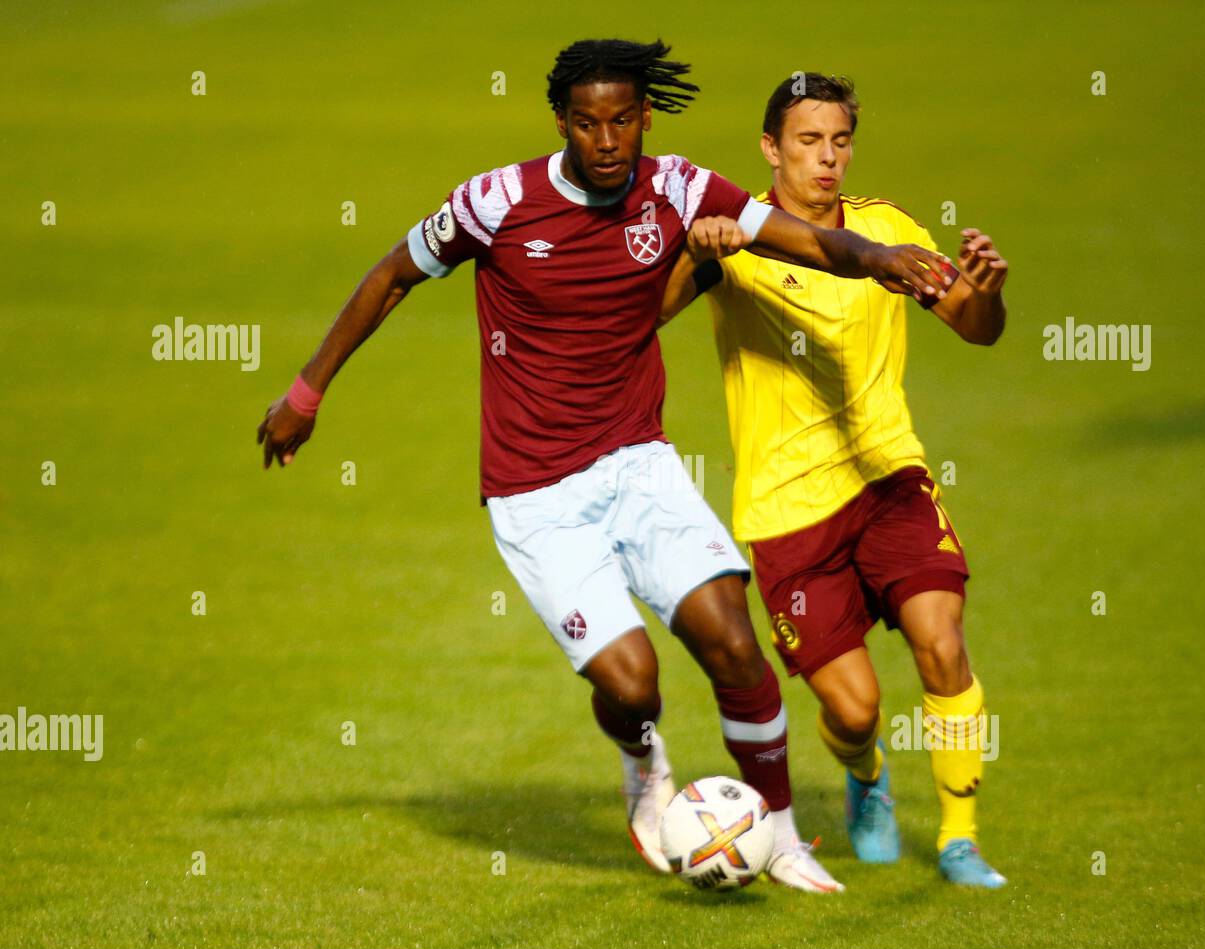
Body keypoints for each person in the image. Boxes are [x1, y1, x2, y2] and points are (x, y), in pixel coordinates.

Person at [257, 41, 951, 893]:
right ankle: (641, 758)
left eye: (622, 119)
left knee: (735, 645)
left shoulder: (679, 187)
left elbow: (799, 238)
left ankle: (781, 836)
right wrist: (306, 390)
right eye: (588, 123)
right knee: (635, 685)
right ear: (562, 123)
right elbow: (393, 275)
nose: (607, 139)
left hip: (638, 465)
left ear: (645, 117)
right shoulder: (497, 202)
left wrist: (879, 259)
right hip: (535, 492)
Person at [658, 73, 1009, 886]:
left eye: (839, 141)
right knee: (851, 710)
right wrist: (695, 255)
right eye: (808, 142)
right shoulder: (739, 238)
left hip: (889, 479)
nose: (827, 159)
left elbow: (975, 328)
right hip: (787, 512)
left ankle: (960, 840)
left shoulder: (887, 230)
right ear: (770, 149)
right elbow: (646, 316)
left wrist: (988, 296)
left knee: (943, 645)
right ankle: (866, 775)